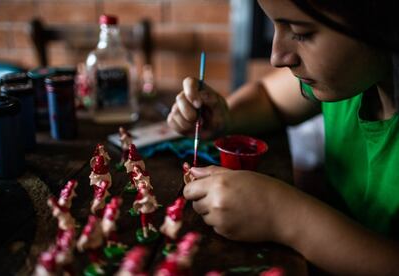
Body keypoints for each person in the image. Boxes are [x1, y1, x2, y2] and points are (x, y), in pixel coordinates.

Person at [166, 0, 399, 274]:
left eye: (301, 32)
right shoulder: (350, 78)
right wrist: (225, 116)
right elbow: (269, 98)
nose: (277, 56)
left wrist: (284, 215)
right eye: (274, 25)